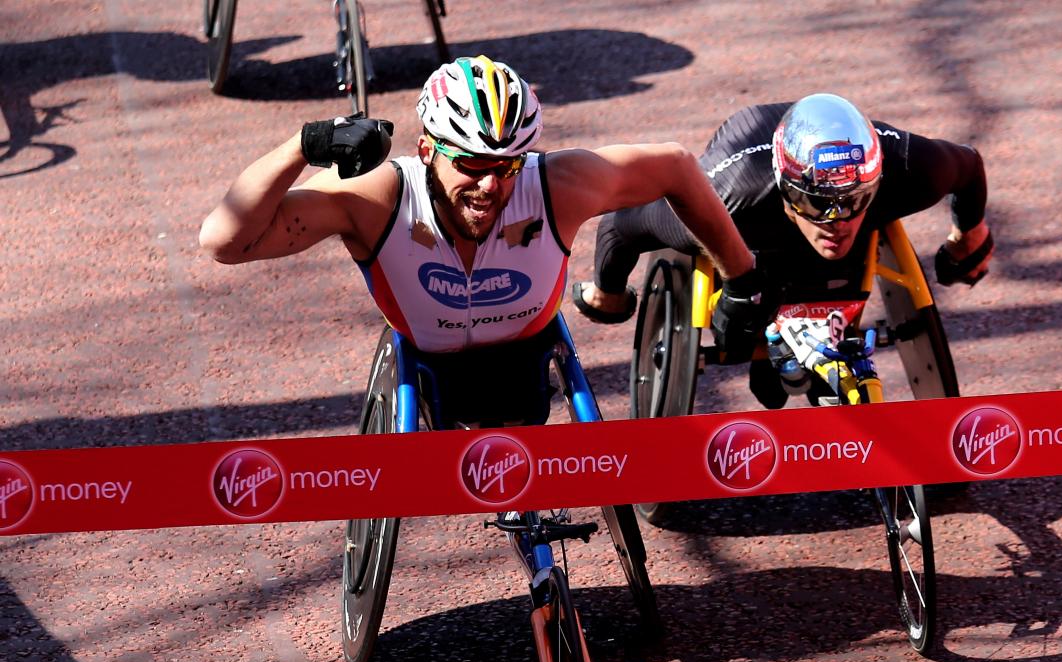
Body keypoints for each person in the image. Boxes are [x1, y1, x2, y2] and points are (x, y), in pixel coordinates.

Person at [199, 55, 762, 425]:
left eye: (508, 164)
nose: (490, 185)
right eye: (470, 162)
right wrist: (303, 145)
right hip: (428, 364)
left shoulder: (557, 186)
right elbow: (225, 240)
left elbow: (677, 167)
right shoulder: (378, 197)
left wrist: (741, 276)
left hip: (526, 362)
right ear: (427, 151)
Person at [572, 93, 993, 407]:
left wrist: (969, 240)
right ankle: (768, 341)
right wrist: (608, 295)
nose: (837, 222)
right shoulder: (730, 192)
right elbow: (621, 225)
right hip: (752, 200)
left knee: (836, 247)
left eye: (855, 201)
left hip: (825, 173)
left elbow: (970, 165)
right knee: (745, 306)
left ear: (876, 182)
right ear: (789, 190)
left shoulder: (910, 166)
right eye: (817, 205)